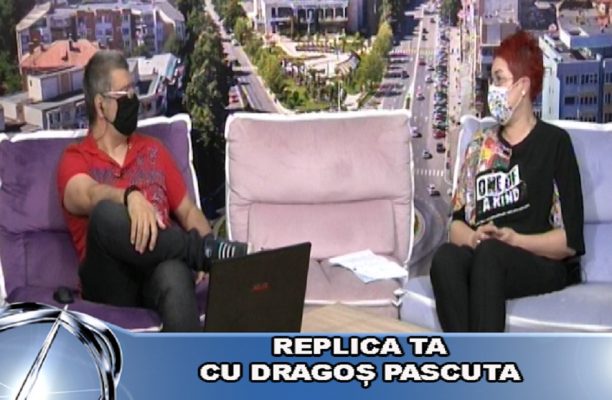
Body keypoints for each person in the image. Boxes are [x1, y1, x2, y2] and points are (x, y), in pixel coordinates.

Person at [57, 50, 249, 332]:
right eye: (125, 93)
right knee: (105, 213)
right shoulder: (75, 158)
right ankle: (206, 253)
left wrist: (206, 238)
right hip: (110, 282)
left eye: (133, 90)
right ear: (101, 105)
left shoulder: (154, 150)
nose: (134, 98)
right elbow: (87, 195)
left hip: (157, 271)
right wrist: (130, 197)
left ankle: (191, 363)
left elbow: (187, 211)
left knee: (175, 272)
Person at [430, 31, 585, 332]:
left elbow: (570, 241)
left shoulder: (555, 143)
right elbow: (456, 225)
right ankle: (471, 360)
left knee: (491, 255)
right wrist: (474, 239)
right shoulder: (479, 145)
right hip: (484, 256)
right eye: (492, 80)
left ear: (522, 86)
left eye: (499, 80)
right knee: (446, 258)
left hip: (538, 261)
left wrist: (514, 240)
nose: (492, 89)